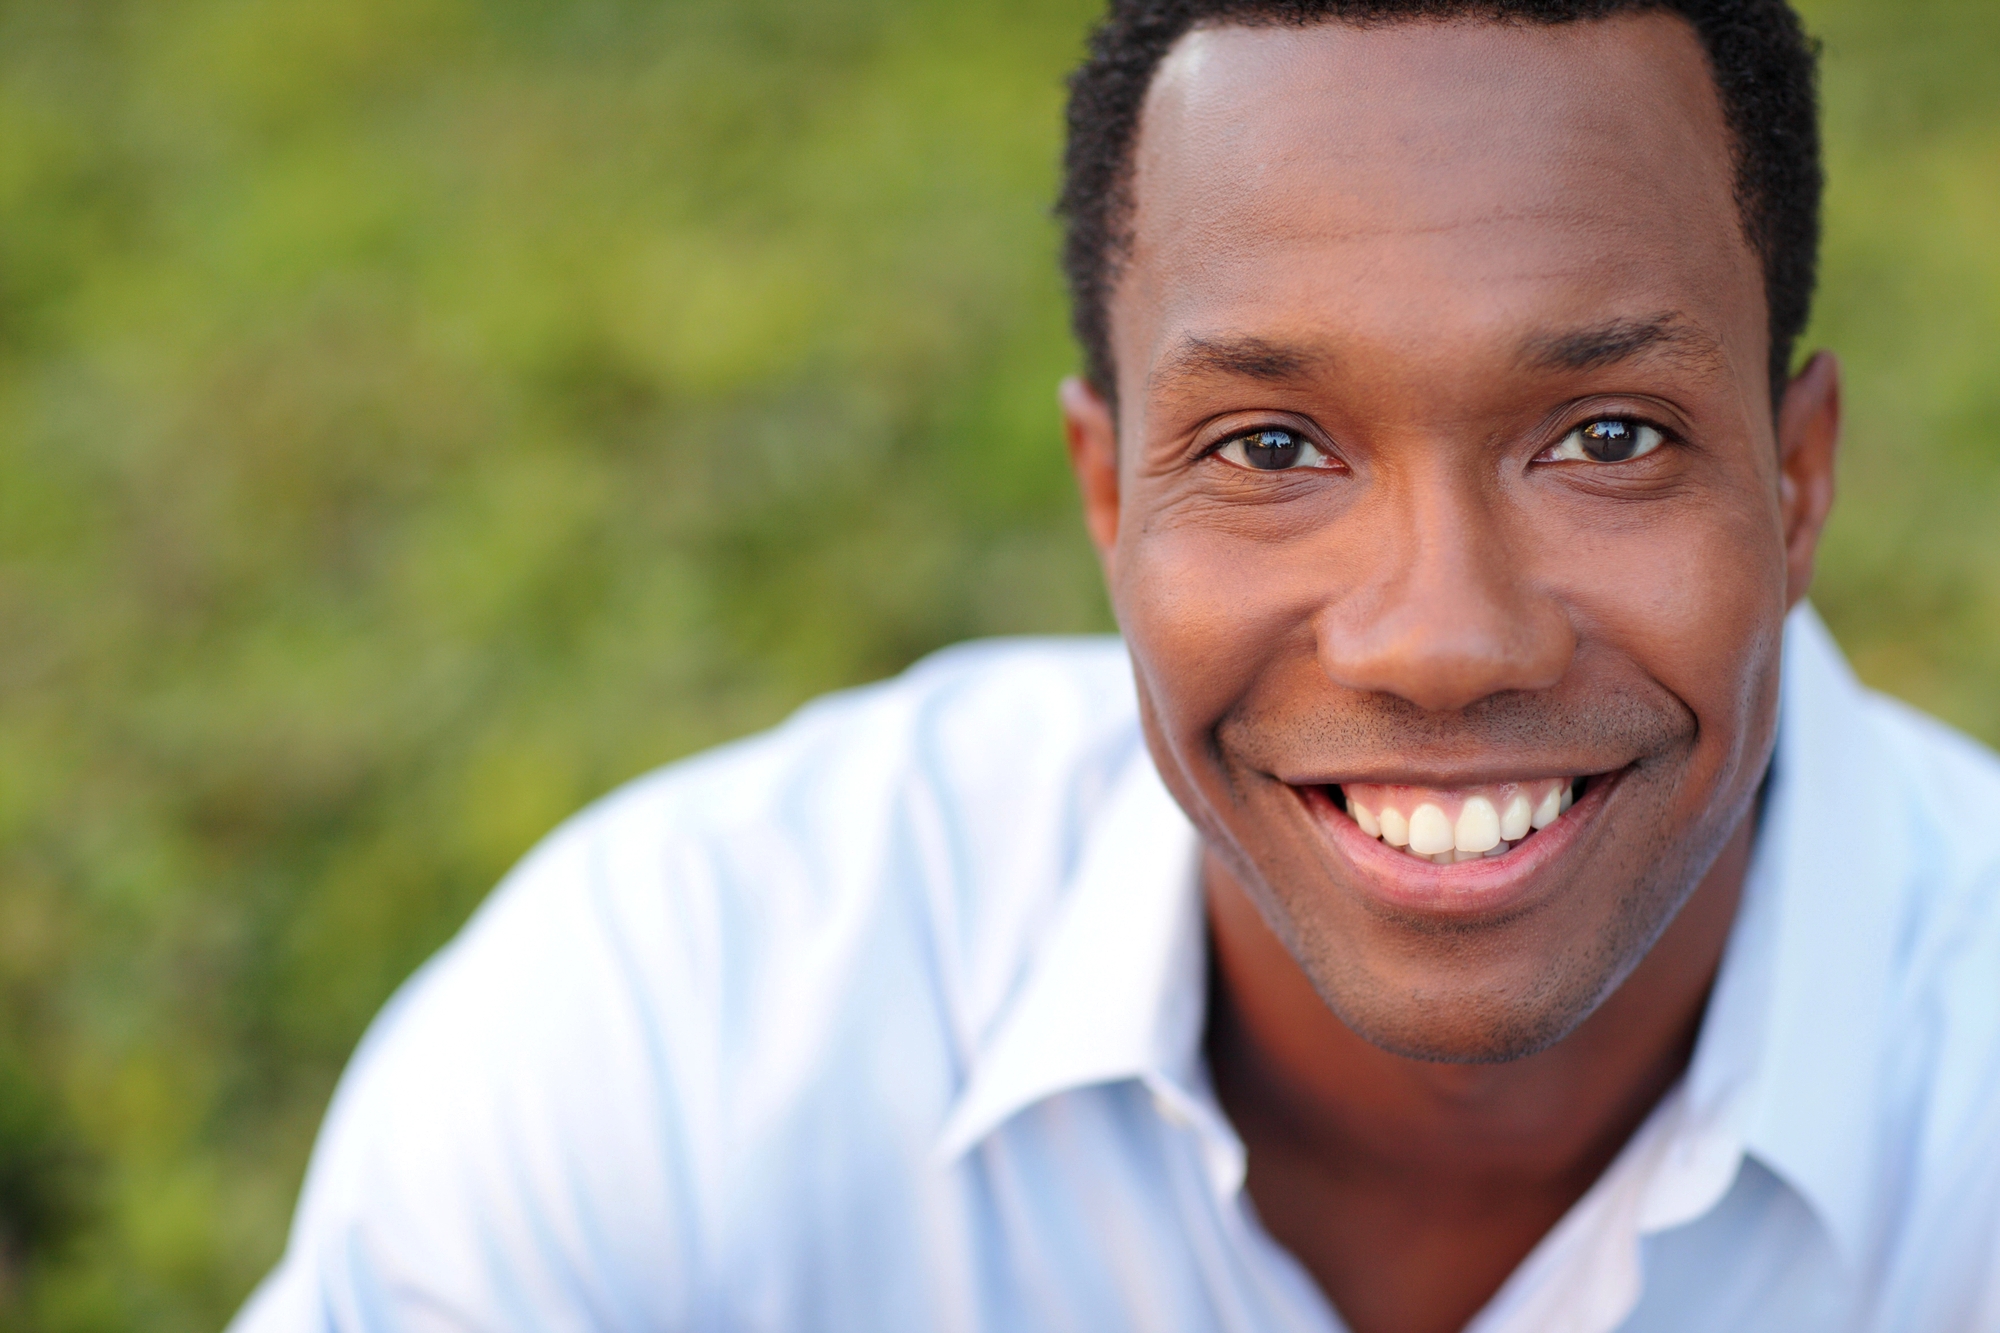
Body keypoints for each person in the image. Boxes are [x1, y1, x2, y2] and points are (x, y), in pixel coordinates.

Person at [231, 2, 2000, 1330]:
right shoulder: (678, 1035)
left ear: (1797, 480)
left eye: (1608, 434)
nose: (1445, 638)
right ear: (1104, 490)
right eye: (1271, 450)